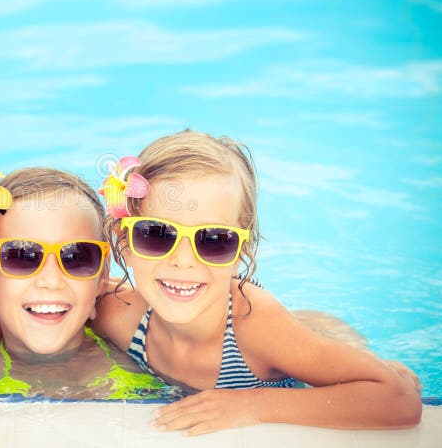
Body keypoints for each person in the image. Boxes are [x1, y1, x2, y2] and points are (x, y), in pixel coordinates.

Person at [91, 129, 422, 435]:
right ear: (124, 242)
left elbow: (399, 400)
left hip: (294, 338)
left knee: (373, 370)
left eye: (214, 239)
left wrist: (254, 404)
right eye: (156, 235)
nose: (183, 259)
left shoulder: (255, 327)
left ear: (240, 252)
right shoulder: (119, 314)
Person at [0, 168, 172, 403]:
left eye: (77, 257)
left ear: (102, 276)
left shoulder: (142, 353)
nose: (51, 281)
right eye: (22, 256)